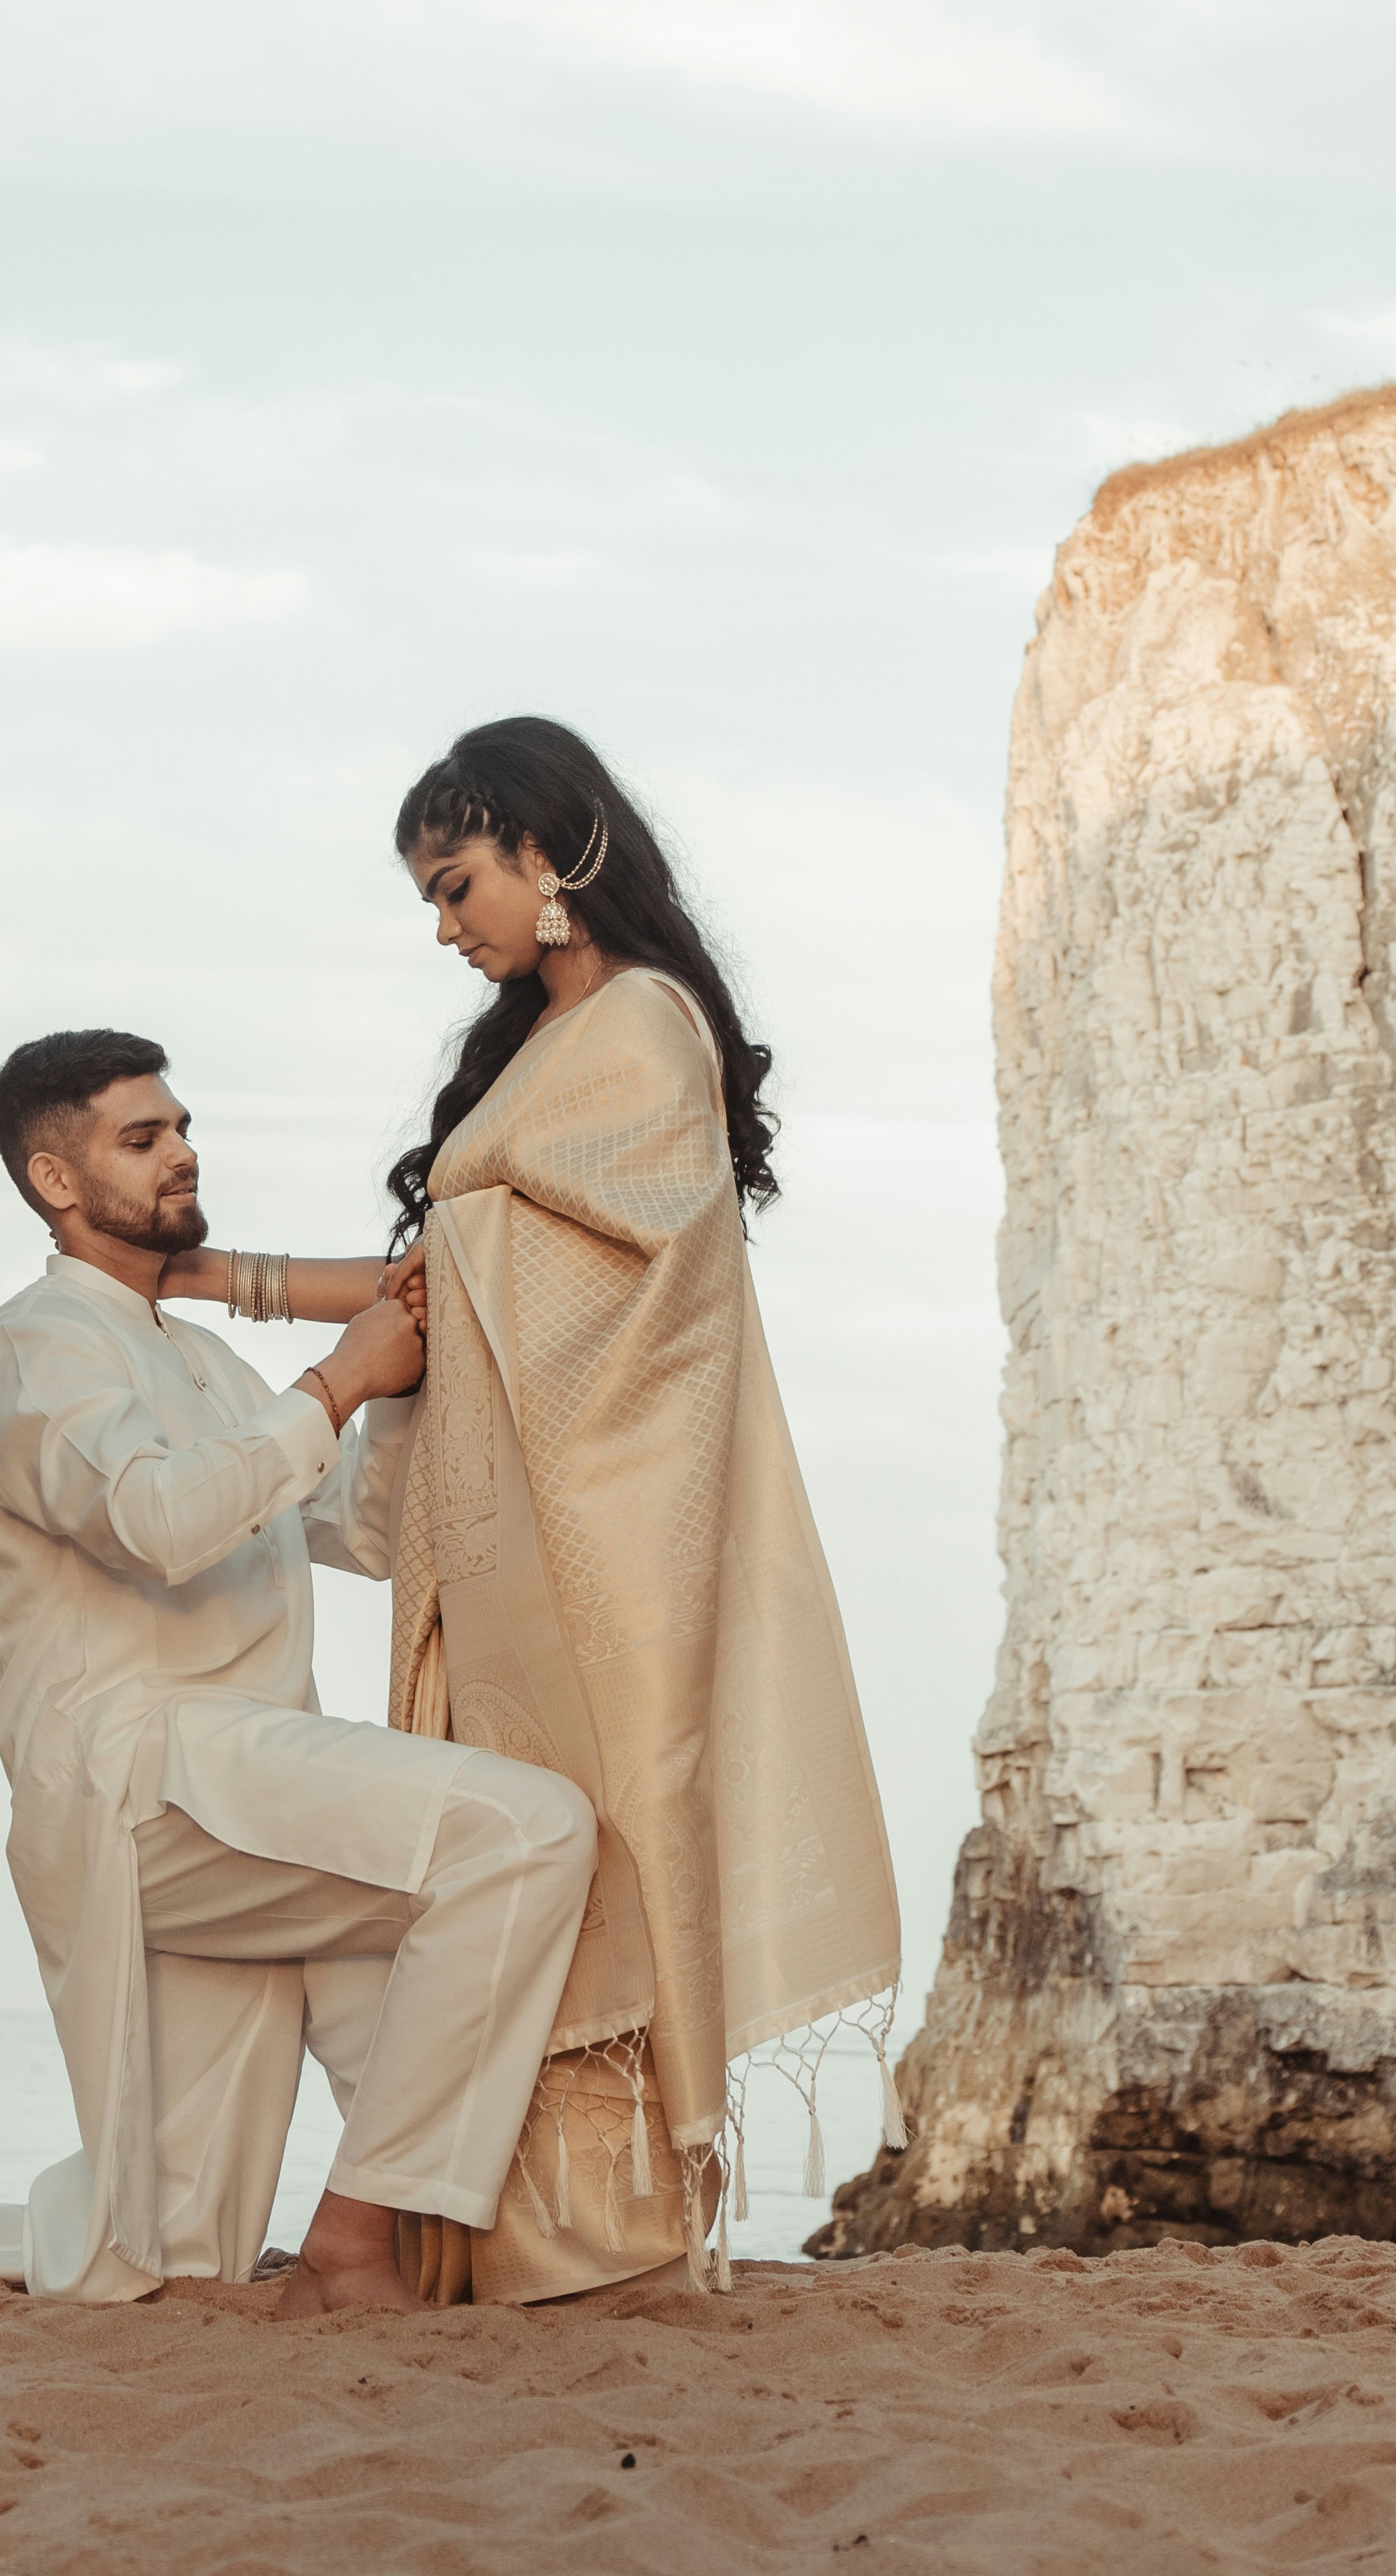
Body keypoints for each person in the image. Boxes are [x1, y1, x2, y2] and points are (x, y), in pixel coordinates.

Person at [0, 1029, 599, 2311]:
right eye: (144, 1137)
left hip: (248, 1786)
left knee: (156, 2257)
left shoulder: (200, 1358)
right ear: (57, 1180)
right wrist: (338, 1375)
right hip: (143, 1778)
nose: (182, 1152)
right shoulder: (34, 1350)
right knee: (523, 1834)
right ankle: (363, 2246)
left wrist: (391, 1379)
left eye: (182, 1126)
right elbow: (165, 1525)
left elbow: (360, 1526)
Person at [358, 718, 899, 2302]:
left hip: (610, 1527)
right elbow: (464, 1273)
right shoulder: (535, 1052)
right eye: (430, 901)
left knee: (605, 1837)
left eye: (458, 883)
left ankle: (619, 2234)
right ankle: (499, 2229)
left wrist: (442, 1273)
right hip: (511, 1527)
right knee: (503, 1848)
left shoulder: (650, 1029)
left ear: (553, 852)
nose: (445, 927)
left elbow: (642, 1289)